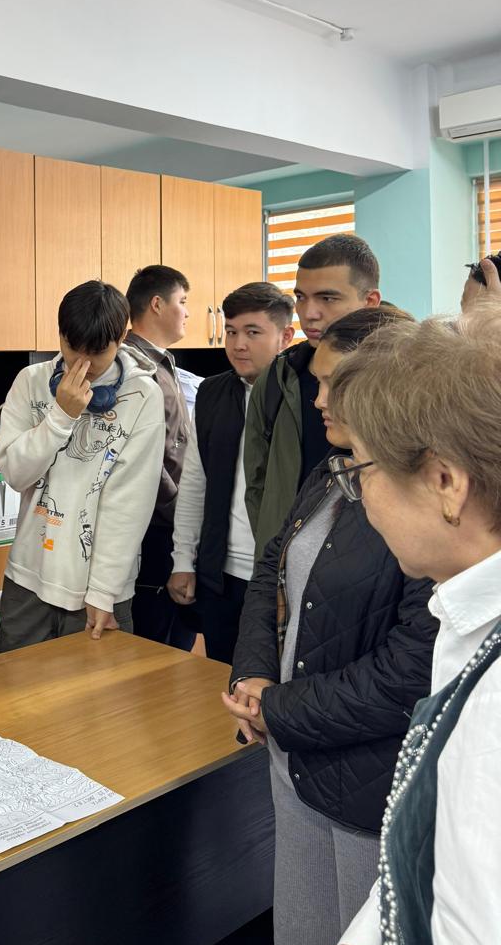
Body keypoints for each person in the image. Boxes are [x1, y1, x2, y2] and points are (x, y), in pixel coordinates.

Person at [223, 306, 437, 945]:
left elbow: (411, 670)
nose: (317, 400)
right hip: (297, 759)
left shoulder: (424, 501)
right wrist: (253, 676)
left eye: (332, 384)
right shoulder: (331, 472)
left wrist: (278, 709)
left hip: (368, 784)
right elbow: (272, 570)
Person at [317, 305, 501, 945]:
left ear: (445, 483)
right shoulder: (465, 614)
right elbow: (442, 841)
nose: (360, 495)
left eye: (362, 471)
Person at [0, 280, 164, 653]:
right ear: (60, 335)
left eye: (97, 353)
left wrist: (103, 591)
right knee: (11, 684)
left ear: (121, 338)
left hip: (99, 589)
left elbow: (129, 504)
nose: (82, 365)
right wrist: (60, 417)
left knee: (95, 688)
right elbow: (15, 474)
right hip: (28, 575)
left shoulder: (142, 396)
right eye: (72, 349)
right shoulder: (30, 382)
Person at [169, 282, 295, 663]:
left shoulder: (302, 399)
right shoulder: (211, 394)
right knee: (219, 680)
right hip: (220, 575)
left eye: (253, 332)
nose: (239, 344)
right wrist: (183, 561)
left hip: (281, 579)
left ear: (285, 336)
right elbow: (195, 483)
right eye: (231, 331)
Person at [244, 233, 381, 558]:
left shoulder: (412, 375)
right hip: (290, 563)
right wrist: (276, 555)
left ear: (370, 302)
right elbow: (257, 482)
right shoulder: (278, 376)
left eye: (327, 298)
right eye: (301, 298)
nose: (309, 313)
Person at [123, 264, 199, 649]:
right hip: (155, 527)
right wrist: (180, 511)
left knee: (178, 641)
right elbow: (144, 458)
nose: (187, 312)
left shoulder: (161, 361)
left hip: (173, 523)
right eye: (182, 301)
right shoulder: (132, 365)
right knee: (155, 643)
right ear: (157, 304)